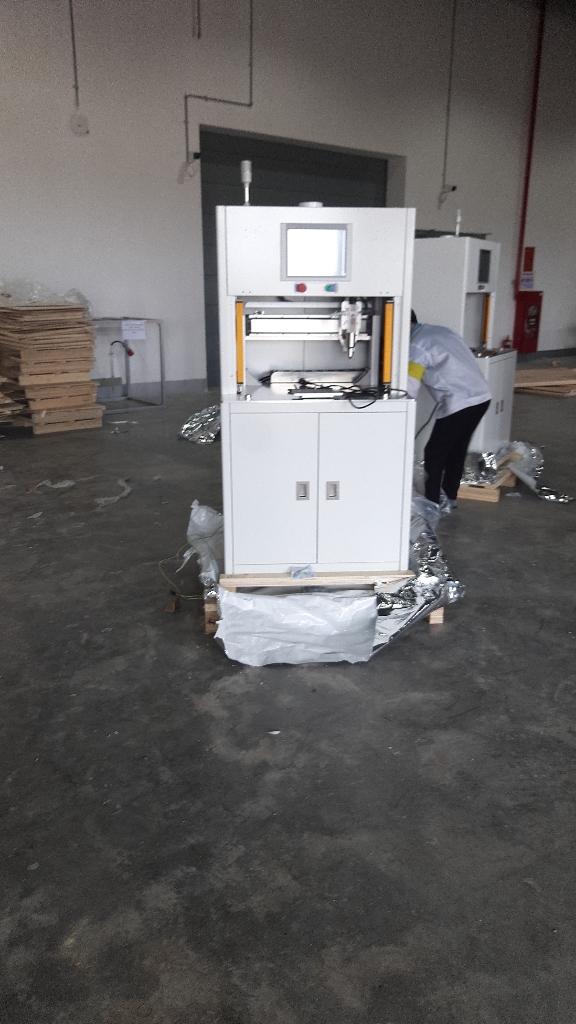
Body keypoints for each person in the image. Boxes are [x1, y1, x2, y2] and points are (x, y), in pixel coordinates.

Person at [407, 312, 491, 507]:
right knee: (457, 450)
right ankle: (450, 498)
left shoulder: (417, 345)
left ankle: (431, 504)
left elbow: (409, 388)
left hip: (460, 402)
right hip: (482, 397)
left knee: (434, 453)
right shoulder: (442, 331)